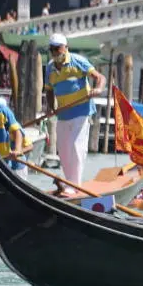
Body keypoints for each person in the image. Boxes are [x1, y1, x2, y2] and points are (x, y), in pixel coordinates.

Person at [44, 33, 106, 195]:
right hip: (63, 114)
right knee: (63, 149)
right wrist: (51, 108)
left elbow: (99, 77)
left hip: (81, 111)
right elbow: (49, 91)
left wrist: (98, 89)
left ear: (65, 48)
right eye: (52, 49)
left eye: (57, 48)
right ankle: (69, 182)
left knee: (75, 146)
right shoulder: (49, 67)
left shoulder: (77, 61)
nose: (55, 52)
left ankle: (75, 185)